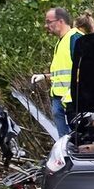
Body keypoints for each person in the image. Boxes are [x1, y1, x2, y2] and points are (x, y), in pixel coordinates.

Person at [31, 8, 82, 137]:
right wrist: (44, 77)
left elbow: (85, 69)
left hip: (72, 102)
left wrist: (74, 90)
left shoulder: (75, 38)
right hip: (60, 99)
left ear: (60, 21)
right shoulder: (60, 42)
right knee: (64, 141)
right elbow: (63, 73)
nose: (46, 26)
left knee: (76, 139)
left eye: (49, 22)